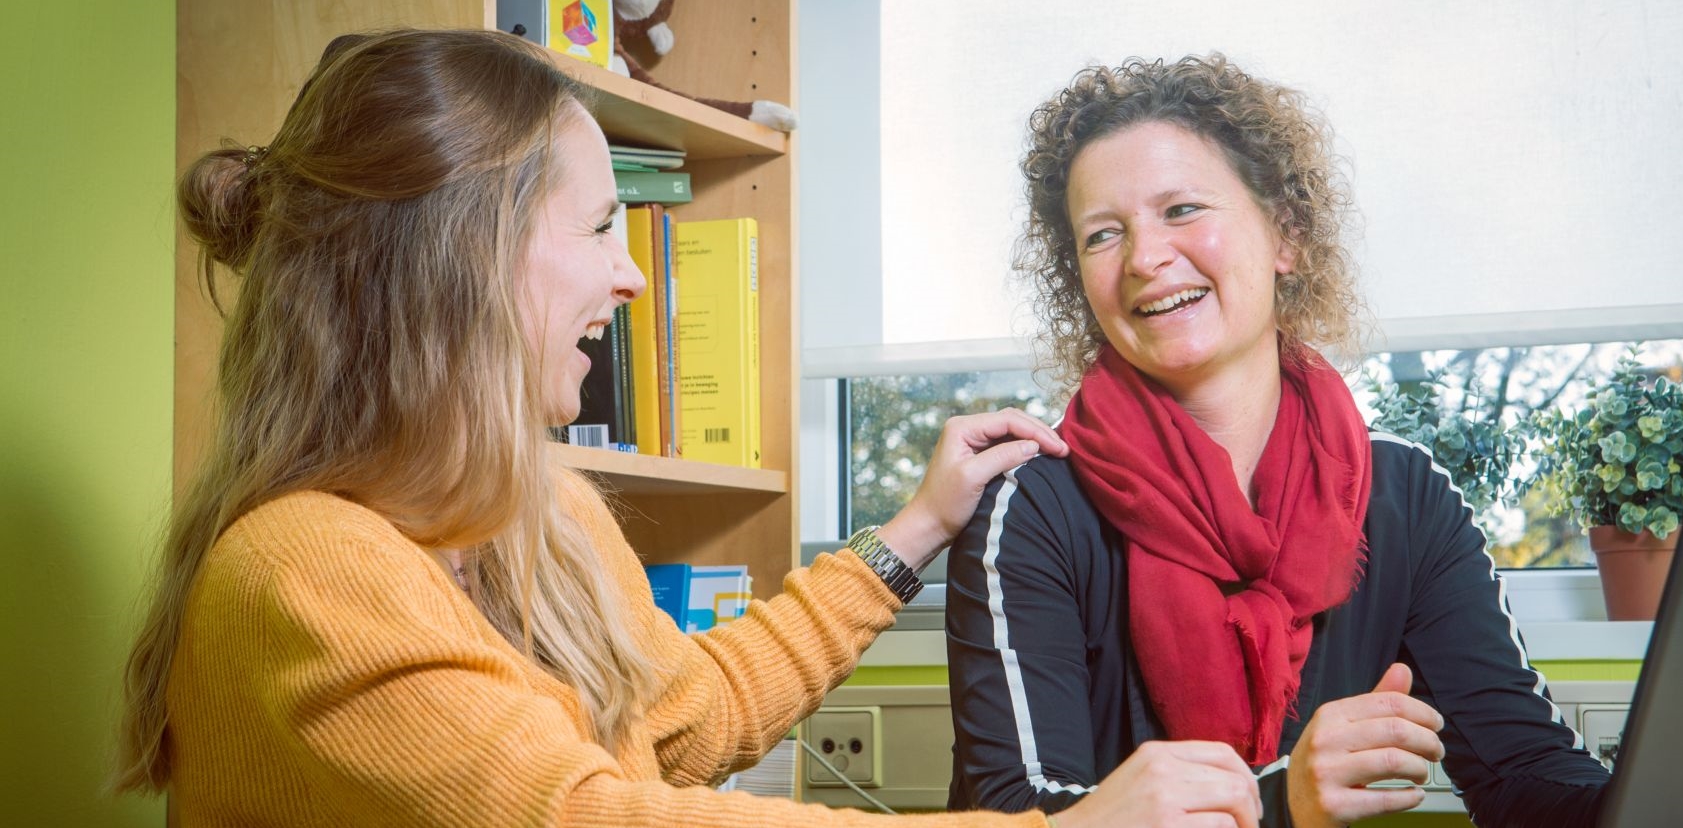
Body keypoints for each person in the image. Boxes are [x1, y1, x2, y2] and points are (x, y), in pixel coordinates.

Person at [114, 29, 1268, 827]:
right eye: (600, 229)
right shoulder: (300, 568)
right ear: (463, 259)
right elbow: (585, 817)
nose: (630, 279)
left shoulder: (544, 522)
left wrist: (913, 530)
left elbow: (694, 718)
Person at [945, 55, 1613, 828]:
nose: (1145, 258)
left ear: (1285, 235)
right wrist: (1280, 802)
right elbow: (1019, 814)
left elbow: (1522, 773)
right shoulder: (1030, 507)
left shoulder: (1407, 496)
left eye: (1182, 209)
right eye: (1102, 235)